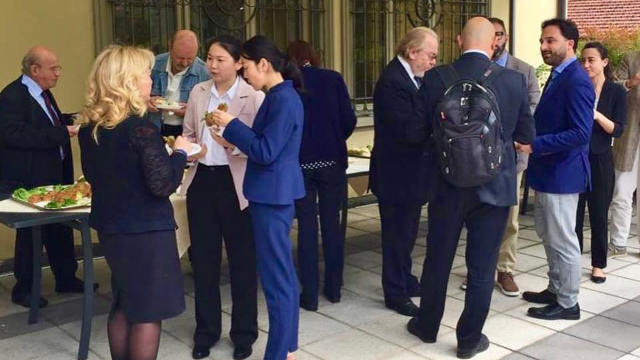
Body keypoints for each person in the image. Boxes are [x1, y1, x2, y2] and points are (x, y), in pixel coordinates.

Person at [406, 17, 535, 359]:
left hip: (446, 185)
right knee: (481, 266)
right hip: (494, 188)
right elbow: (526, 136)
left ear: (459, 39)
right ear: (495, 42)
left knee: (437, 259)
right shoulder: (513, 80)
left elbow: (416, 133)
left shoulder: (435, 78)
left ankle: (427, 325)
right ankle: (468, 340)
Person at [76, 45, 194, 360]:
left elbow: (96, 175)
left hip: (113, 228)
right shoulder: (140, 128)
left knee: (125, 304)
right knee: (146, 312)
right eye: (144, 74)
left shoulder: (90, 128)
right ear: (127, 80)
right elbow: (162, 184)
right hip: (146, 231)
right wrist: (180, 152)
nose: (150, 80)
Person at [211, 35, 304, 360]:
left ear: (264, 64)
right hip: (272, 194)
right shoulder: (279, 96)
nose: (243, 72)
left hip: (272, 197)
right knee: (283, 278)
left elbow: (265, 151)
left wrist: (233, 125)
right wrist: (234, 137)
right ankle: (288, 348)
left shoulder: (282, 99)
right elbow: (265, 146)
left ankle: (278, 353)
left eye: (245, 66)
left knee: (277, 283)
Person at [180, 35, 263, 360]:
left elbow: (260, 144)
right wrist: (189, 148)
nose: (212, 66)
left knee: (243, 262)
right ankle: (206, 331)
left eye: (220, 60)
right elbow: (188, 131)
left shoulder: (252, 97)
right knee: (204, 260)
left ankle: (244, 333)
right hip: (203, 181)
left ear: (238, 62)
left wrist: (235, 145)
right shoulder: (199, 92)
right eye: (210, 59)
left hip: (236, 185)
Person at [0, 46, 91, 308]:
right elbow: (15, 135)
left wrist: (70, 120)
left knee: (59, 226)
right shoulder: (12, 96)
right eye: (54, 68)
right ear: (34, 69)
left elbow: (45, 123)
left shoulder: (43, 93)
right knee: (31, 234)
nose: (58, 72)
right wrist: (63, 132)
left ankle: (65, 277)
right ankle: (25, 288)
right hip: (30, 177)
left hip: (53, 171)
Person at [521, 18, 594, 321]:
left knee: (563, 240)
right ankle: (555, 288)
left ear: (570, 43)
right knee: (550, 236)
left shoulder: (576, 78)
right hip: (550, 172)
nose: (543, 47)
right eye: (542, 41)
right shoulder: (559, 73)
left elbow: (581, 133)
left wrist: (534, 144)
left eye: (550, 41)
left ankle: (568, 303)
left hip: (563, 174)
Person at [370, 27, 439, 317]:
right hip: (396, 176)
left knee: (408, 234)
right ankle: (395, 291)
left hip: (410, 175)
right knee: (397, 236)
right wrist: (434, 109)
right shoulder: (393, 82)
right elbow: (409, 132)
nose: (434, 62)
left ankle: (405, 279)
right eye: (431, 56)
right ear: (412, 52)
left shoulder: (411, 78)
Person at [286, 40, 357, 311]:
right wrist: (334, 137)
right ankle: (334, 287)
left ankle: (310, 294)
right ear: (314, 56)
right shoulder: (333, 79)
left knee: (305, 228)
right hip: (332, 162)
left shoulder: (287, 85)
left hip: (301, 164)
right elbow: (349, 120)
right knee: (332, 225)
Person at [488, 17, 541, 296]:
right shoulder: (476, 68)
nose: (495, 40)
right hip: (478, 158)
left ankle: (505, 270)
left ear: (505, 37)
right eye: (490, 35)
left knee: (509, 217)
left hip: (512, 156)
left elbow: (532, 108)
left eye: (499, 34)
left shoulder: (524, 70)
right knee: (481, 214)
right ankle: (481, 269)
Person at [576, 42, 627, 283]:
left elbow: (617, 129)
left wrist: (596, 115)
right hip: (576, 157)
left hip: (600, 157)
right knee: (573, 215)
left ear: (604, 62)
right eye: (583, 60)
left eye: (591, 60)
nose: (586, 64)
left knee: (598, 213)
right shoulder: (577, 87)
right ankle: (572, 261)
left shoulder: (616, 92)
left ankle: (598, 264)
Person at [149, 30, 210, 136]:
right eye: (180, 58)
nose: (184, 63)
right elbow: (135, 96)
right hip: (154, 127)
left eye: (190, 59)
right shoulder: (154, 64)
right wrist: (147, 102)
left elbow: (210, 111)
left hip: (186, 131)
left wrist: (192, 111)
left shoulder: (204, 73)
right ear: (170, 48)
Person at [609, 49, 640, 257]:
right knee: (621, 190)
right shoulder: (631, 58)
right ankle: (618, 243)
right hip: (630, 136)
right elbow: (613, 87)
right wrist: (631, 82)